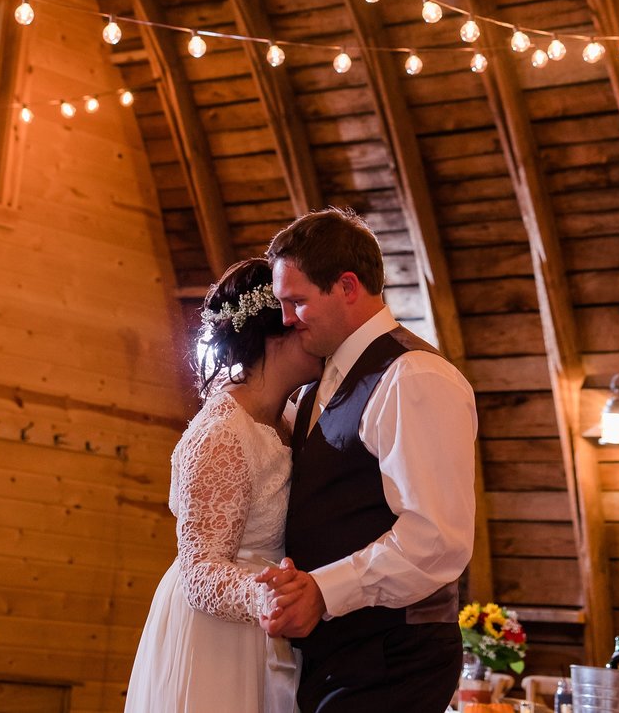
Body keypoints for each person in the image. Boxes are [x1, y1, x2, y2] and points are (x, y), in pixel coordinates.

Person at [259, 207, 478, 713]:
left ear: (348, 286)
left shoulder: (414, 377)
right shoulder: (318, 384)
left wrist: (324, 591)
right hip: (335, 654)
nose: (287, 320)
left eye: (297, 302)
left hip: (393, 658)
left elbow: (435, 539)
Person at [124, 256, 321, 713]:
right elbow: (199, 570)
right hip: (221, 637)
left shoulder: (290, 416)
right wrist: (265, 595)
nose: (312, 328)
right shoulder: (222, 434)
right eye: (298, 315)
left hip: (270, 625)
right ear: (276, 333)